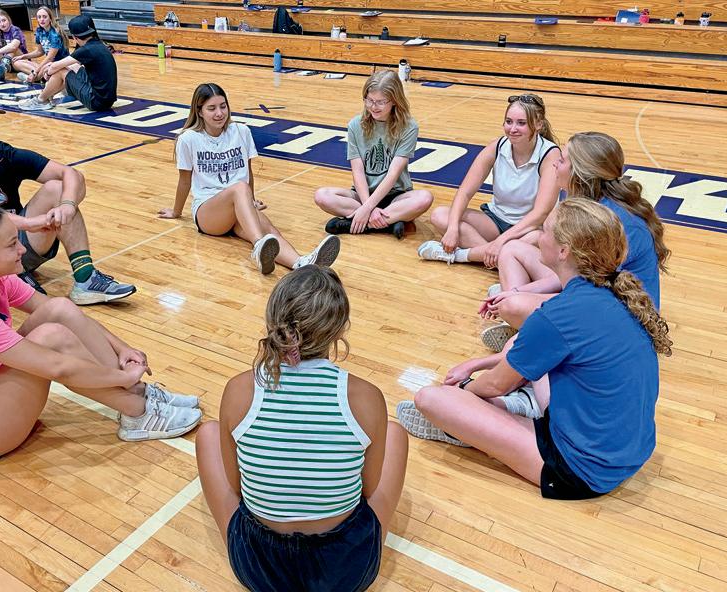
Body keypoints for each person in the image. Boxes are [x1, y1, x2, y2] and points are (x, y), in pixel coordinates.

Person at [397, 199, 672, 500]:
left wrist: (465, 394)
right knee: (518, 344)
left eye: (546, 230)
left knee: (432, 399)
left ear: (564, 251)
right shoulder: (616, 292)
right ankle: (514, 408)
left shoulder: (559, 314)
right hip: (629, 450)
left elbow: (494, 385)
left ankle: (467, 429)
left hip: (583, 471)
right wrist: (478, 363)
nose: (540, 236)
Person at [0, 203, 202, 462]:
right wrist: (120, 377)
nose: (22, 249)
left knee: (59, 308)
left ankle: (137, 393)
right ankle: (138, 411)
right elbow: (58, 366)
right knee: (52, 338)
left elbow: (63, 312)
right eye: (11, 245)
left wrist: (122, 349)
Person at [196, 265, 408, 591]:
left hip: (260, 569)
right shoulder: (366, 396)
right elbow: (368, 491)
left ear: (273, 322)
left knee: (208, 433)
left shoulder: (240, 389)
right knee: (395, 434)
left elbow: (236, 487)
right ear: (340, 330)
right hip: (345, 573)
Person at [0, 92, 137, 303]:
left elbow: (70, 174)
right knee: (42, 308)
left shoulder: (4, 154)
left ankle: (85, 277)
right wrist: (29, 223)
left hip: (14, 248)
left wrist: (68, 206)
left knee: (58, 189)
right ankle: (8, 279)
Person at [478, 131, 669, 351]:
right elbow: (574, 273)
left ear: (579, 172)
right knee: (511, 249)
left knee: (512, 306)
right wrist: (520, 292)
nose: (555, 164)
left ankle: (528, 332)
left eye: (561, 160)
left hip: (620, 316)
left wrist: (518, 294)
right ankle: (526, 326)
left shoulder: (613, 221)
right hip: (592, 291)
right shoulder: (586, 202)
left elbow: (587, 288)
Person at [159, 83, 341, 274]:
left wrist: (250, 202)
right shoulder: (188, 138)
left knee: (270, 231)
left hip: (237, 204)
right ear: (199, 112)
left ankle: (302, 263)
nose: (219, 113)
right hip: (208, 213)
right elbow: (185, 181)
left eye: (223, 106)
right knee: (241, 190)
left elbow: (248, 171)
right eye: (211, 108)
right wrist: (176, 212)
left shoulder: (241, 131)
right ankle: (258, 245)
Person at [419, 94, 560, 267]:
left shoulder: (550, 154)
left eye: (521, 123)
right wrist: (453, 228)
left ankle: (463, 255)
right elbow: (465, 192)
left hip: (529, 228)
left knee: (539, 238)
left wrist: (500, 242)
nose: (512, 129)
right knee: (440, 216)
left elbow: (540, 214)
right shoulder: (497, 146)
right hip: (496, 221)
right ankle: (504, 261)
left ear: (538, 124)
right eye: (508, 121)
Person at [313, 70, 433, 240]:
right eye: (369, 100)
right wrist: (367, 205)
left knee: (424, 198)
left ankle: (357, 224)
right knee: (322, 196)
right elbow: (358, 172)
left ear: (394, 100)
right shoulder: (355, 125)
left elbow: (393, 174)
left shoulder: (409, 126)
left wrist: (366, 210)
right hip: (363, 195)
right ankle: (389, 223)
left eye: (380, 102)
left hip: (396, 196)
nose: (373, 107)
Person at [19, 15, 116, 112]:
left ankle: (41, 100)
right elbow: (68, 64)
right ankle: (48, 94)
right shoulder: (99, 44)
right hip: (107, 100)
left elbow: (55, 67)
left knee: (60, 71)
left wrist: (47, 73)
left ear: (74, 37)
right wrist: (50, 66)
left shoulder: (86, 50)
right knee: (72, 66)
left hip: (97, 102)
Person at [12, 6, 68, 84]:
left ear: (50, 19)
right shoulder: (39, 31)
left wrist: (35, 72)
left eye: (44, 17)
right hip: (47, 64)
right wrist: (23, 56)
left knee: (40, 73)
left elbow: (50, 58)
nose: (42, 19)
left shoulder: (55, 35)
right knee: (16, 63)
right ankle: (37, 77)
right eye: (39, 17)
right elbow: (39, 51)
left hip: (58, 65)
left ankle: (34, 77)